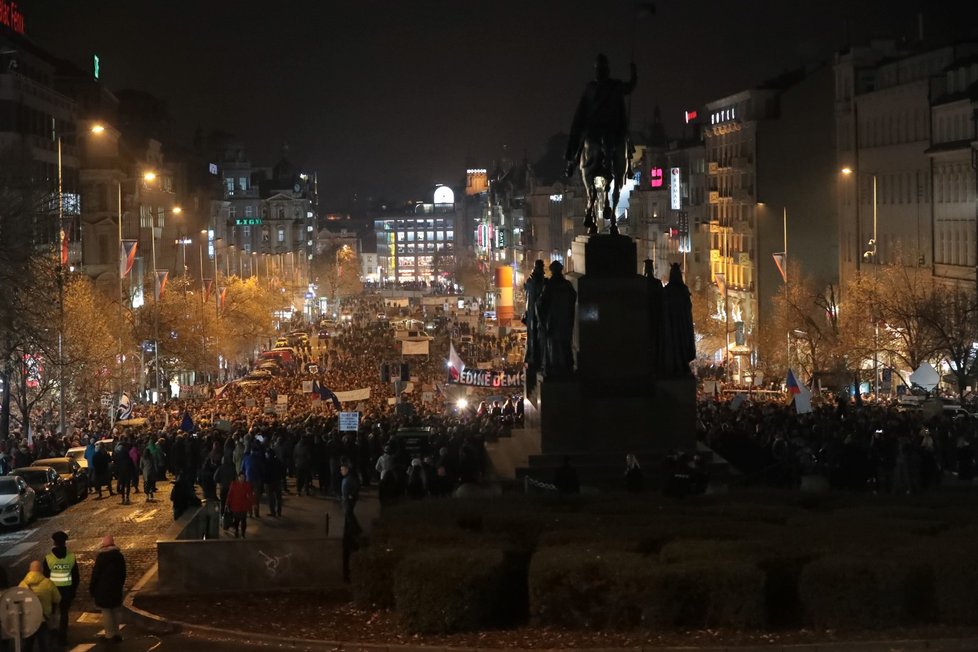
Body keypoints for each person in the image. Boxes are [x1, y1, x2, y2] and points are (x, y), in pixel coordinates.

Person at [43, 530, 78, 646]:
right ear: (65, 542)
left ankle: (52, 633)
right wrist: (73, 590)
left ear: (54, 542)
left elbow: (46, 577)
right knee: (64, 614)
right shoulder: (71, 557)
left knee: (51, 613)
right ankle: (62, 638)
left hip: (53, 590)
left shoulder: (48, 558)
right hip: (67, 590)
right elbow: (76, 576)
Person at [90, 535, 126, 644]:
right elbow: (123, 573)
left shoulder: (101, 557)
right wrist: (120, 584)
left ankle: (109, 635)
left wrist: (92, 588)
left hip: (103, 589)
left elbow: (96, 574)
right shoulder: (119, 556)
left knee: (106, 613)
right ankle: (117, 633)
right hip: (115, 588)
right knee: (115, 611)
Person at [225, 470, 255, 538]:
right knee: (237, 520)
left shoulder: (247, 485)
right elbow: (230, 495)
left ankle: (243, 533)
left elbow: (250, 495)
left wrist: (253, 503)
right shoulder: (234, 484)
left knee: (243, 520)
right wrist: (227, 504)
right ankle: (236, 531)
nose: (242, 479)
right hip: (235, 506)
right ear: (238, 477)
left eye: (243, 477)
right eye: (241, 477)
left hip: (243, 506)